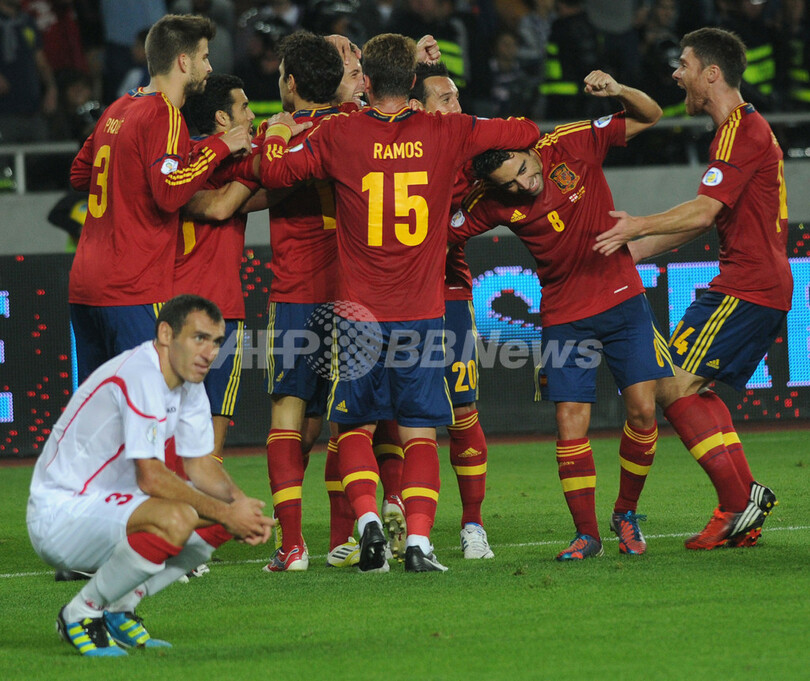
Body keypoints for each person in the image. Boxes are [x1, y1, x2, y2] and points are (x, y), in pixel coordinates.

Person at [257, 33, 539, 572]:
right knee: (418, 433)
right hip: (422, 312)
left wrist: (276, 133)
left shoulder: (341, 132)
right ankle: (419, 543)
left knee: (355, 429)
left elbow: (275, 172)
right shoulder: (445, 129)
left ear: (364, 83)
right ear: (413, 84)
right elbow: (525, 130)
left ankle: (365, 525)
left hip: (358, 313)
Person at [449, 69, 672, 560]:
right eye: (511, 184)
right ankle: (587, 535)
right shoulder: (490, 201)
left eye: (526, 171)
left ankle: (626, 513)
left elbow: (652, 115)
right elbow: (440, 232)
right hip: (563, 313)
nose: (525, 186)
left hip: (621, 297)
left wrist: (618, 91)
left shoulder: (571, 143)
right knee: (570, 422)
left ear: (532, 151)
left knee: (642, 410)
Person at [594, 27, 789, 550]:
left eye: (683, 65)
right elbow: (706, 219)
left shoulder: (738, 132)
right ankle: (741, 507)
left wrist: (637, 225)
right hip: (751, 280)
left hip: (748, 284)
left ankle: (736, 502)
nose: (676, 74)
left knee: (672, 386)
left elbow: (703, 210)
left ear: (712, 73)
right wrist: (638, 249)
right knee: (686, 386)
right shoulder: (738, 131)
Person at [27, 295, 273, 657]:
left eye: (217, 342)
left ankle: (118, 608)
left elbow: (201, 465)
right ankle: (80, 613)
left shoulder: (189, 382)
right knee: (178, 517)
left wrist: (239, 507)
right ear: (165, 333)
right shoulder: (140, 373)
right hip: (61, 513)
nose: (209, 352)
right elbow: (152, 479)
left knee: (219, 518)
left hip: (109, 506)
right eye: (199, 338)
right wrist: (226, 511)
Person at [68, 14, 251, 385]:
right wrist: (220, 145)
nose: (208, 66)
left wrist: (129, 185)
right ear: (183, 62)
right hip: (131, 287)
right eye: (203, 57)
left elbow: (79, 174)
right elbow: (169, 194)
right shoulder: (165, 114)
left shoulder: (118, 108)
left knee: (100, 415)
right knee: (149, 412)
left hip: (85, 287)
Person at [408, 60, 493, 560]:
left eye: (458, 97)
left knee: (462, 409)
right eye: (447, 98)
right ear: (417, 105)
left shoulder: (467, 151)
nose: (458, 107)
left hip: (449, 292)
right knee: (393, 416)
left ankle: (472, 524)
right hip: (392, 299)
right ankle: (394, 520)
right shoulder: (386, 148)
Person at [177, 73, 259, 464]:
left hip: (195, 307)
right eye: (244, 107)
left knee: (212, 412)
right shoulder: (193, 159)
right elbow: (222, 205)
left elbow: (261, 196)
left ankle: (198, 510)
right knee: (208, 414)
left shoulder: (180, 162)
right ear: (222, 120)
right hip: (207, 309)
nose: (253, 115)